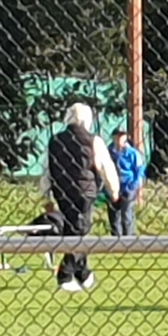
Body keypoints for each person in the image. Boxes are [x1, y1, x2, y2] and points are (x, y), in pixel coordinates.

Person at [42, 102, 120, 293]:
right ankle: (65, 273)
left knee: (74, 229)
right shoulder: (93, 140)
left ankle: (83, 272)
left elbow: (46, 168)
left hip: (61, 191)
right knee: (80, 230)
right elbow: (106, 166)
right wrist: (114, 190)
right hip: (85, 191)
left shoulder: (55, 141)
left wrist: (46, 196)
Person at [107, 129, 146, 237]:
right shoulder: (109, 152)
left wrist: (135, 184)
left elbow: (139, 170)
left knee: (127, 213)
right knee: (113, 214)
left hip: (128, 185)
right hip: (113, 185)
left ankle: (128, 237)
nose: (120, 138)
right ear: (113, 137)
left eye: (123, 136)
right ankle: (116, 237)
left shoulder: (132, 153)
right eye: (118, 136)